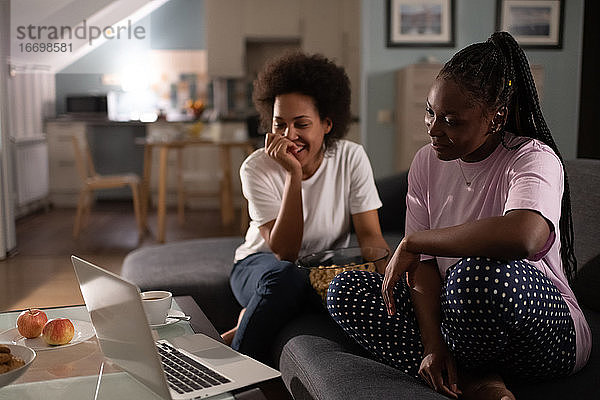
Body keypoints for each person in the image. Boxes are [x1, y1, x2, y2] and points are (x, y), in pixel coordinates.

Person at [327, 32, 592, 400]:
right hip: (461, 319)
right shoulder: (426, 162)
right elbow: (424, 267)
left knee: (473, 275)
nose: (435, 130)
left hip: (541, 332)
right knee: (346, 290)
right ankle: (466, 378)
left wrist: (417, 240)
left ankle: (475, 377)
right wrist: (434, 343)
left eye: (451, 120)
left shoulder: (532, 157)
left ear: (496, 117)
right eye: (430, 113)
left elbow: (524, 235)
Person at [222, 52, 389, 364]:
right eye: (279, 124)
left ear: (326, 124)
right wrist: (293, 175)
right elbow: (284, 251)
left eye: (301, 124)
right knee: (288, 277)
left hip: (321, 271)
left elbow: (370, 236)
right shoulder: (256, 168)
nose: (289, 136)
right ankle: (235, 377)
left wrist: (386, 282)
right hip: (261, 266)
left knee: (335, 290)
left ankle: (248, 320)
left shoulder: (351, 158)